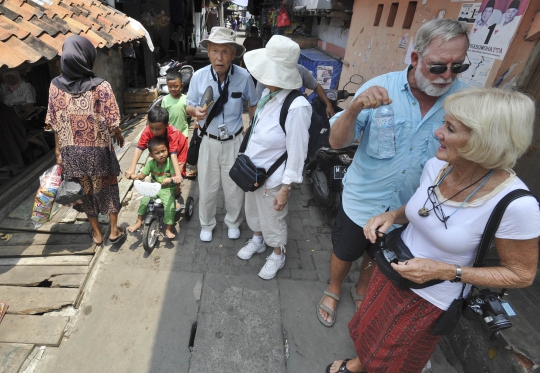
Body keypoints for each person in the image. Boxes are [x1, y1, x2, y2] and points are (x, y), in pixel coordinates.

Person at [326, 87, 540, 373]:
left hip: (430, 298)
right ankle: (356, 364)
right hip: (392, 271)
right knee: (370, 330)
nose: (437, 132)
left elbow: (521, 274)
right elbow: (419, 209)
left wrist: (446, 271)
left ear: (485, 141)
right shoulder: (438, 165)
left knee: (394, 360)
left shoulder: (516, 204)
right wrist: (392, 215)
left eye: (449, 128)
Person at [317, 18, 470, 327]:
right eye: (439, 66)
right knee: (345, 250)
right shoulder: (382, 87)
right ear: (415, 58)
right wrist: (355, 108)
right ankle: (333, 289)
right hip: (362, 199)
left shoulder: (464, 102)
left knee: (381, 256)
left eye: (459, 67)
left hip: (410, 209)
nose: (448, 76)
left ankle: (362, 290)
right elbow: (335, 142)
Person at [238, 35, 312, 280]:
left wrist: (286, 189)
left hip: (274, 178)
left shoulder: (296, 106)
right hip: (253, 172)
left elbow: (298, 151)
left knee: (274, 218)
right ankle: (258, 240)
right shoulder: (268, 96)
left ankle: (278, 253)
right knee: (255, 213)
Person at [46, 35, 126, 245]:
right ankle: (114, 231)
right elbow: (113, 121)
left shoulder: (55, 86)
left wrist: (57, 152)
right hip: (99, 153)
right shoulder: (101, 86)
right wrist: (118, 133)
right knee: (108, 188)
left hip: (72, 154)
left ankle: (97, 233)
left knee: (85, 193)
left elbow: (54, 122)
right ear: (86, 57)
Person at [186, 27, 258, 242]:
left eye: (225, 52)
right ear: (208, 52)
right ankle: (207, 224)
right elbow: (189, 105)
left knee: (234, 187)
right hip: (208, 140)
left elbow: (252, 103)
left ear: (233, 54)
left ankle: (233, 222)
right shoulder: (198, 77)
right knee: (207, 186)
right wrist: (194, 112)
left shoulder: (244, 77)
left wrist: (250, 129)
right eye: (215, 51)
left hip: (235, 141)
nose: (220, 57)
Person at [127, 137, 181, 239]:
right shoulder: (150, 164)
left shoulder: (170, 163)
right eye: (157, 153)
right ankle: (139, 221)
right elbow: (142, 176)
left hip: (167, 189)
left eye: (163, 151)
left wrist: (170, 179)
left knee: (170, 206)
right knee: (144, 200)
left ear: (167, 150)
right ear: (151, 155)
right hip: (154, 187)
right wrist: (135, 177)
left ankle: (169, 228)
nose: (161, 155)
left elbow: (175, 176)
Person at [124, 107, 187, 185]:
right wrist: (132, 169)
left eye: (158, 129)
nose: (154, 131)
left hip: (179, 148)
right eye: (151, 128)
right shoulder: (147, 131)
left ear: (167, 125)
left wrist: (178, 175)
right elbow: (139, 148)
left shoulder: (173, 134)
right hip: (164, 148)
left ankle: (176, 188)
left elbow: (173, 154)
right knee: (164, 167)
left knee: (177, 171)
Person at [255, 64, 336, 118]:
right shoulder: (265, 76)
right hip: (271, 115)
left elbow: (316, 86)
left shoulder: (299, 70)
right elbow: (257, 104)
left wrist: (328, 104)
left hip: (293, 112)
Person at [161, 70, 189, 137]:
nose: (173, 89)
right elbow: (162, 116)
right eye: (170, 87)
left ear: (181, 85)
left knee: (183, 147)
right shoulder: (165, 100)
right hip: (170, 133)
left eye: (176, 86)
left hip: (183, 132)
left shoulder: (186, 99)